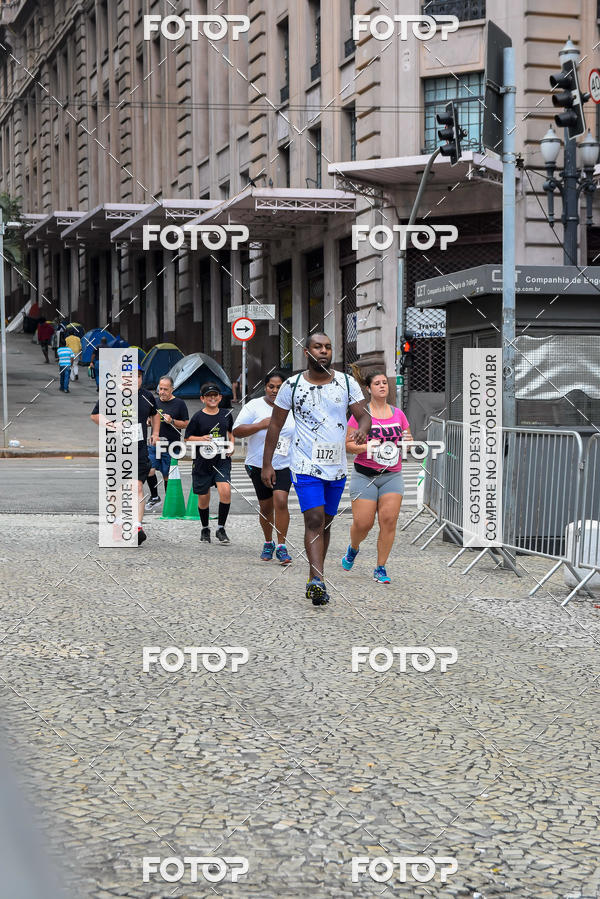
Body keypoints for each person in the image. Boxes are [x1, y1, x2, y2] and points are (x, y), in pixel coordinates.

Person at [262, 333, 371, 606]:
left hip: (336, 466)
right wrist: (267, 463)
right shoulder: (292, 385)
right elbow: (275, 425)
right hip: (305, 464)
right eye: (318, 347)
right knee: (314, 519)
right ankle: (319, 581)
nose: (324, 351)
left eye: (328, 347)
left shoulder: (346, 382)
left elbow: (364, 416)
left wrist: (362, 430)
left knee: (326, 522)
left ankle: (314, 576)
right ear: (306, 352)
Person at [342, 369, 412, 584]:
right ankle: (353, 548)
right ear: (368, 388)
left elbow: (408, 438)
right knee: (363, 523)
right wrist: (366, 447)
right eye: (377, 383)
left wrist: (407, 444)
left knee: (389, 521)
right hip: (365, 475)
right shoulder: (361, 416)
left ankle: (380, 567)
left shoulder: (398, 414)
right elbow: (348, 445)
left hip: (392, 475)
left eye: (384, 383)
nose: (382, 386)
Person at [91, 365, 159, 545]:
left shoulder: (147, 396)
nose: (134, 379)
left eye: (138, 376)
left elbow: (155, 414)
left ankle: (137, 527)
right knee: (116, 490)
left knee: (137, 487)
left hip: (139, 449)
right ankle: (118, 523)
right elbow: (95, 415)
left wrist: (155, 433)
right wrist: (113, 425)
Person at [232, 371, 294, 564]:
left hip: (284, 464)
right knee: (266, 507)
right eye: (271, 387)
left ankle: (282, 546)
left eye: (279, 387)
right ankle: (269, 542)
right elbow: (237, 431)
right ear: (265, 387)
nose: (275, 391)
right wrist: (260, 425)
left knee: (281, 501)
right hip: (258, 464)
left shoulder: (292, 407)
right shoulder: (254, 406)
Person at [185, 383, 234, 544]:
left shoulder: (226, 414)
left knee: (225, 491)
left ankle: (221, 528)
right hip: (202, 462)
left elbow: (230, 432)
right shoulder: (198, 417)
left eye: (215, 395)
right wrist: (201, 439)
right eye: (208, 396)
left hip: (221, 460)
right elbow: (187, 438)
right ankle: (205, 528)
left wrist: (231, 445)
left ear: (220, 397)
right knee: (203, 498)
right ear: (202, 399)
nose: (212, 398)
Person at [146, 375, 189, 508]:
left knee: (167, 475)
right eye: (160, 389)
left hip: (171, 445)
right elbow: (149, 419)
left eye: (165, 389)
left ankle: (169, 502)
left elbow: (186, 424)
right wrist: (149, 422)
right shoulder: (154, 402)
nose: (162, 392)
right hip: (154, 443)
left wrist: (172, 421)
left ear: (172, 389)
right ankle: (154, 497)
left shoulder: (180, 404)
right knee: (149, 470)